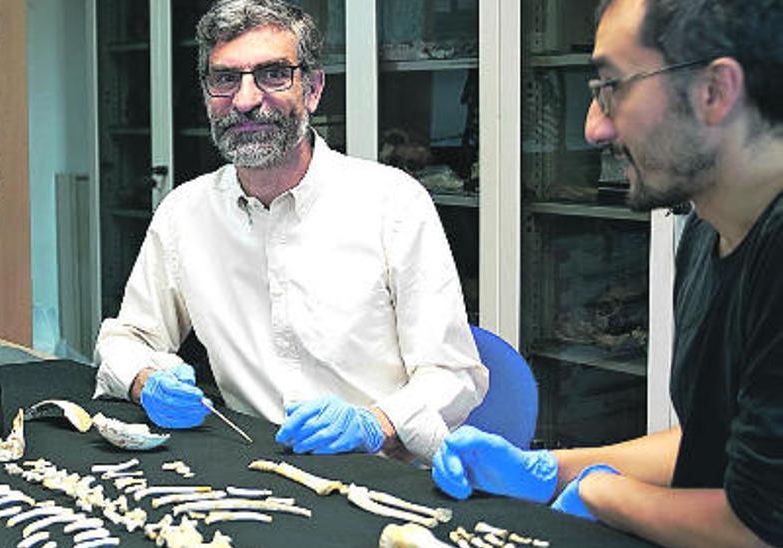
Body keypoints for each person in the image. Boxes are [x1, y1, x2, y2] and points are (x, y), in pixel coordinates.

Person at [431, 0, 783, 545]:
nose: (594, 129)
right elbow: (725, 444)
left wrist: (602, 491)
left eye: (613, 88)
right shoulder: (707, 230)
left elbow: (760, 527)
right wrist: (553, 468)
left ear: (714, 92)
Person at [93, 0, 487, 462]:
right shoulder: (185, 213)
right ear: (206, 95)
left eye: (273, 74)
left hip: (381, 475)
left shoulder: (392, 204)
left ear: (314, 89)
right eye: (225, 78)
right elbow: (125, 340)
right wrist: (144, 380)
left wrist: (374, 424)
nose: (244, 100)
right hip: (252, 468)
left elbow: (455, 374)